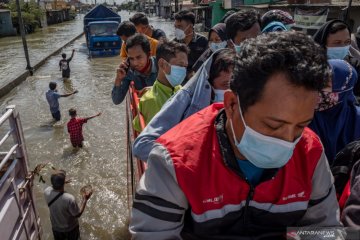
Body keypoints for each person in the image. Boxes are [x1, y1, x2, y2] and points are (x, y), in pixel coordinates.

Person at [129, 32, 342, 239]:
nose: (288, 141)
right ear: (231, 104)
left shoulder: (310, 151)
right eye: (273, 125)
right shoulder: (175, 160)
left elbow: (328, 229)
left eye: (301, 126)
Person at [132, 48, 234, 161]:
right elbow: (143, 145)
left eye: (185, 66)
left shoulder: (245, 105)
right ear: (208, 84)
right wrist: (188, 161)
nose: (233, 92)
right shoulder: (184, 99)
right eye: (227, 85)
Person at [309, 59, 360, 165]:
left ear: (344, 87)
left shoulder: (357, 119)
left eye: (325, 85)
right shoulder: (302, 116)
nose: (318, 89)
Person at [133, 41, 189, 132]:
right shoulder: (151, 101)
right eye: (180, 65)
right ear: (162, 64)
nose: (183, 70)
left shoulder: (179, 89)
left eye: (185, 66)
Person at [313, 19, 360, 96]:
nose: (343, 47)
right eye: (337, 43)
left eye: (347, 42)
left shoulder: (355, 65)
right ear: (323, 44)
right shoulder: (309, 67)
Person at [44, 170, 92, 240]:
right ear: (63, 183)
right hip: (70, 229)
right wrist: (85, 200)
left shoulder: (46, 192)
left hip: (56, 228)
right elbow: (77, 214)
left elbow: (52, 186)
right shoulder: (69, 199)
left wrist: (62, 182)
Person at [112, 33, 158, 105]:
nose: (135, 63)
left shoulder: (161, 65)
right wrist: (118, 79)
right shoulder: (129, 71)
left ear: (149, 54)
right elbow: (116, 100)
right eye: (131, 58)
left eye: (139, 57)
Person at [173, 10, 208, 80]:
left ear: (190, 26)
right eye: (175, 27)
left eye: (179, 27)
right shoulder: (174, 43)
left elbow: (207, 63)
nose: (176, 30)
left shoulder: (203, 41)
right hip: (179, 79)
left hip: (198, 78)